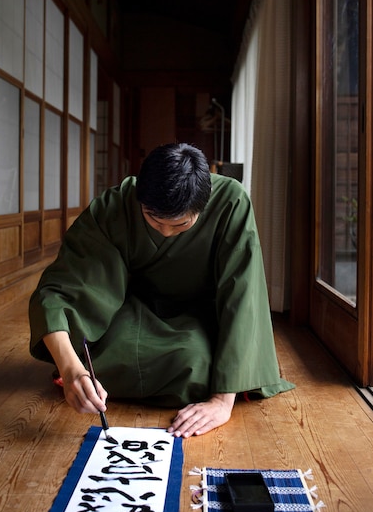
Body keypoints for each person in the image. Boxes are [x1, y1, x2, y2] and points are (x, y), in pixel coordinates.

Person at [29, 143, 293, 438]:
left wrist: (222, 402)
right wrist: (71, 369)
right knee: (93, 363)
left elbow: (242, 294)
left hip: (202, 318)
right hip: (133, 312)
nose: (164, 231)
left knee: (197, 363)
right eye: (153, 219)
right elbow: (63, 289)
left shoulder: (231, 202)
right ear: (139, 194)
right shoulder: (115, 207)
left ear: (203, 205)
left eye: (180, 224)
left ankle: (212, 379)